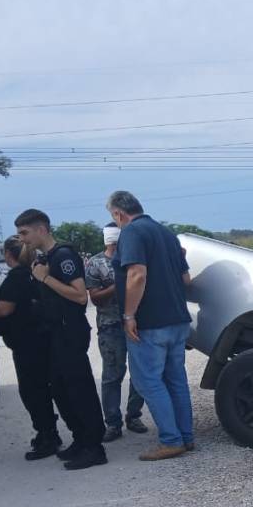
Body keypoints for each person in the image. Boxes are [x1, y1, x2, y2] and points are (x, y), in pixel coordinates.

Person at [14, 209, 107, 470]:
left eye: (25, 233)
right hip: (55, 331)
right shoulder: (47, 257)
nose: (22, 239)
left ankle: (94, 447)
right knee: (60, 389)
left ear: (41, 229)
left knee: (79, 389)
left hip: (70, 331)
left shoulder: (64, 256)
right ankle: (80, 438)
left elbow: (79, 296)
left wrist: (45, 278)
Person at [107, 190, 193, 461]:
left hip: (150, 323)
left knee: (148, 381)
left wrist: (129, 315)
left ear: (118, 214)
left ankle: (171, 439)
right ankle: (185, 436)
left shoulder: (132, 233)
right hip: (177, 319)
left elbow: (137, 274)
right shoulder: (167, 234)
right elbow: (186, 279)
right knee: (175, 379)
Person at [0, 236, 62, 459]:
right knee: (40, 389)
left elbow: (3, 309)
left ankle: (47, 436)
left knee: (33, 392)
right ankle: (48, 433)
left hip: (26, 343)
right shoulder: (33, 273)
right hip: (40, 339)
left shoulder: (16, 277)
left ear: (6, 254)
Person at [86, 223, 147, 442]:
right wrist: (118, 285)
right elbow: (94, 297)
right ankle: (113, 423)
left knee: (139, 373)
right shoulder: (95, 263)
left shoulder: (132, 260)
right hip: (110, 326)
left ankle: (134, 416)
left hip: (137, 324)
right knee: (112, 376)